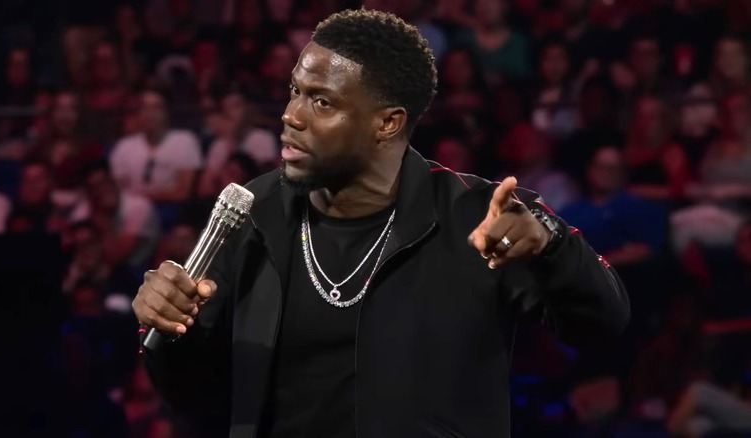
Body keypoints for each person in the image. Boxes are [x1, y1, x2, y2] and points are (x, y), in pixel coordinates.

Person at [133, 9, 629, 438]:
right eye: (294, 92)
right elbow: (199, 400)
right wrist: (171, 331)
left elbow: (604, 324)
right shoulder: (253, 213)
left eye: (321, 101)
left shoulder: (477, 217)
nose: (290, 115)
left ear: (387, 123)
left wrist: (553, 247)